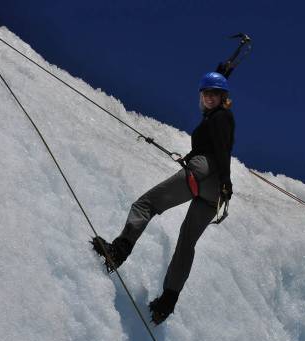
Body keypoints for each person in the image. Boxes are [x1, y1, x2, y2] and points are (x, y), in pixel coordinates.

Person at [93, 71, 235, 325]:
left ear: (223, 97)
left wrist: (226, 180)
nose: (209, 98)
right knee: (186, 242)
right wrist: (222, 71)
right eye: (206, 94)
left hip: (205, 173)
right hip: (213, 194)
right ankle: (166, 304)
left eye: (214, 94)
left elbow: (222, 149)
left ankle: (118, 251)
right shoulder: (218, 117)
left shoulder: (221, 118)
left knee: (146, 204)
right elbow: (220, 145)